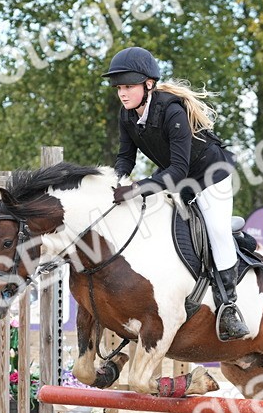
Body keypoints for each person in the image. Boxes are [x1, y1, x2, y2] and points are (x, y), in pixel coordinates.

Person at [102, 46, 250, 341]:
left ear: (148, 84)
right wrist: (116, 182)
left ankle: (229, 307)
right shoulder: (127, 115)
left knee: (217, 231)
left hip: (210, 177)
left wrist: (139, 188)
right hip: (177, 178)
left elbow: (178, 169)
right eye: (119, 87)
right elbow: (125, 158)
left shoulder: (172, 111)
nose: (122, 93)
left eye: (128, 86)